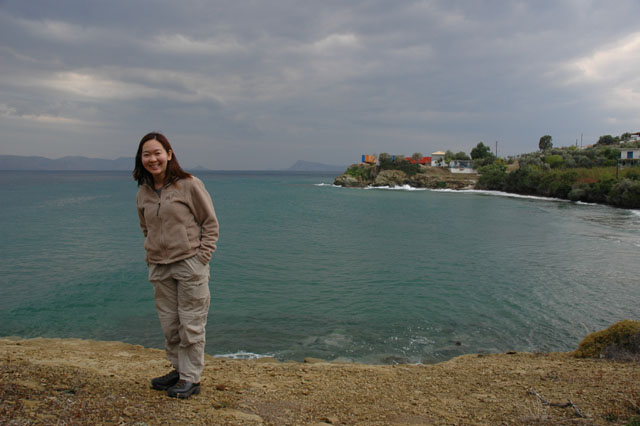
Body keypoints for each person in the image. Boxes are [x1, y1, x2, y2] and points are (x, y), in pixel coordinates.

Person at [133, 132, 219, 399]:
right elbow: (145, 227)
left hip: (188, 265)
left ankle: (191, 379)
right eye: (146, 154)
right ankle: (179, 370)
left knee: (191, 324)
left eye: (157, 152)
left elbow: (210, 223)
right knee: (170, 325)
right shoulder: (144, 191)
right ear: (141, 159)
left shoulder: (189, 184)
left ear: (169, 154)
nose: (152, 159)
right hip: (159, 267)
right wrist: (151, 253)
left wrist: (201, 257)